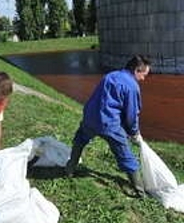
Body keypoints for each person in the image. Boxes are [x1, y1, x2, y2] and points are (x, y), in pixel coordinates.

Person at [65, 55, 151, 197]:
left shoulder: (111, 76)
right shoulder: (132, 86)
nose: (144, 79)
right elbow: (131, 115)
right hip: (109, 124)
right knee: (126, 155)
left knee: (80, 140)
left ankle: (69, 170)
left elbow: (98, 98)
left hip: (90, 117)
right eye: (144, 75)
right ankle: (140, 192)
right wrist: (134, 133)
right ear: (137, 70)